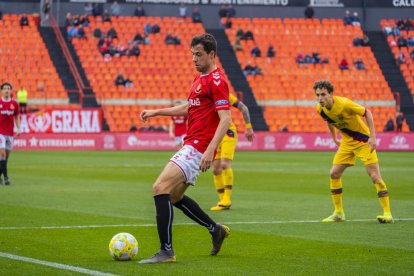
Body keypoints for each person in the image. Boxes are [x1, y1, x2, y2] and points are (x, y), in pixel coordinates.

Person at [138, 33, 231, 264]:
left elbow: (226, 118)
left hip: (199, 146)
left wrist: (210, 150)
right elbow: (189, 108)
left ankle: (166, 251)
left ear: (211, 54)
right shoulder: (199, 79)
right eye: (192, 55)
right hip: (192, 143)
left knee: (160, 188)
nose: (194, 59)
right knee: (175, 196)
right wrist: (157, 112)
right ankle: (214, 229)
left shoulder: (217, 81)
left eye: (198, 55)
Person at [313, 80, 393, 224]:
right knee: (334, 174)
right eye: (317, 95)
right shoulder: (320, 109)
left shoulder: (344, 104)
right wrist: (334, 138)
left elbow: (367, 112)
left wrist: (373, 137)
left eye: (323, 94)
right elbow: (329, 121)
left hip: (363, 141)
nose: (320, 98)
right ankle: (338, 213)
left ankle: (387, 213)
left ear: (331, 94)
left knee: (374, 176)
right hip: (346, 143)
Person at [210, 93, 254, 211]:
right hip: (214, 134)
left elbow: (244, 108)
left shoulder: (225, 95)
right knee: (215, 168)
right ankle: (222, 200)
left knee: (225, 164)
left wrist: (248, 127)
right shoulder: (204, 97)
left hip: (228, 132)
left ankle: (227, 199)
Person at [0, 83, 21, 186]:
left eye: (8, 88)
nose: (7, 90)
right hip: (0, 133)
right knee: (2, 153)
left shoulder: (14, 104)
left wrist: (18, 128)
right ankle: (6, 178)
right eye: (5, 89)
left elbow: (16, 117)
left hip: (10, 133)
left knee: (5, 157)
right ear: (1, 91)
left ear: (11, 90)